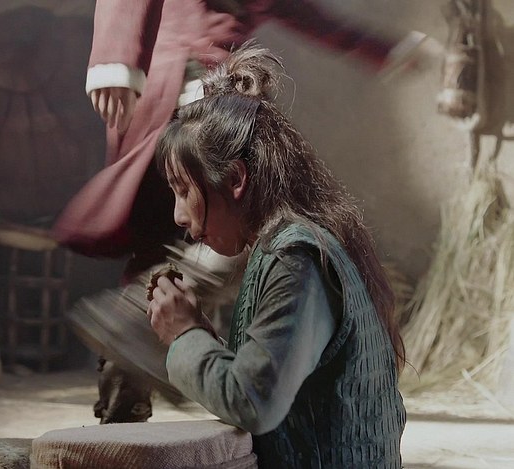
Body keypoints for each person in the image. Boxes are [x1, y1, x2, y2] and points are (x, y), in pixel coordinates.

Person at [56, 0, 432, 424]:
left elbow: (310, 16)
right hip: (185, 94)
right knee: (234, 232)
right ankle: (130, 347)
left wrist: (389, 51)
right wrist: (116, 59)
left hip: (209, 98)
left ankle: (127, 379)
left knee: (188, 249)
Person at [147, 42, 406, 468]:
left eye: (183, 190)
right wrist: (202, 337)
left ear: (234, 179)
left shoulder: (295, 258)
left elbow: (254, 401)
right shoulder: (288, 246)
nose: (178, 215)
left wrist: (184, 335)